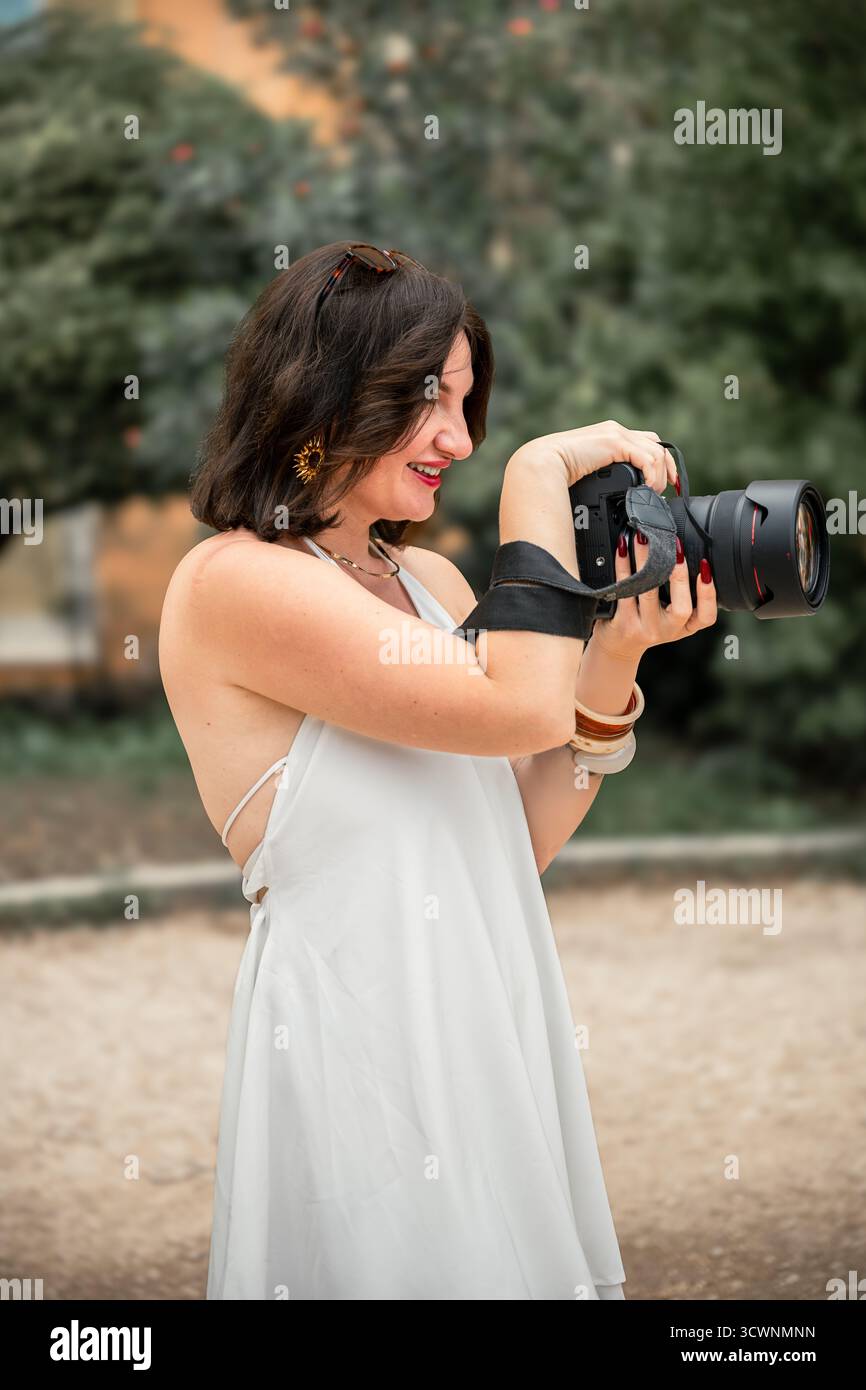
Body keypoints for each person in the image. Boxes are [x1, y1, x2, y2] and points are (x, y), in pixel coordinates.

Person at [158, 242, 717, 1300]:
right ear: (321, 393)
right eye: (427, 401)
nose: (458, 439)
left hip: (482, 1011)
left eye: (468, 405)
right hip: (366, 1039)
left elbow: (512, 833)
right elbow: (514, 704)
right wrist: (535, 476)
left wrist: (615, 655)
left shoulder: (426, 579)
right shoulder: (232, 582)